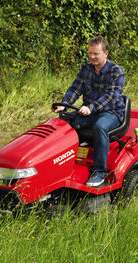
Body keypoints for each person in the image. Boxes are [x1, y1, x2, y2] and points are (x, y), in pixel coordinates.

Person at [52, 35, 126, 187]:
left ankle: (99, 172)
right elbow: (75, 89)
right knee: (62, 123)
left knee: (100, 126)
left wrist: (91, 108)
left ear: (106, 53)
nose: (92, 57)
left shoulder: (117, 71)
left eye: (96, 54)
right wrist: (64, 105)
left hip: (111, 112)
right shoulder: (86, 69)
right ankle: (60, 165)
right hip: (88, 111)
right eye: (90, 53)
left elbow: (111, 97)